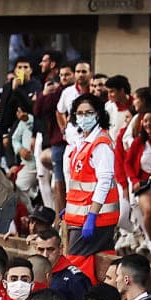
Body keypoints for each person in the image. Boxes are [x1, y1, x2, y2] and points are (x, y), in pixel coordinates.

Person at [62, 92, 119, 255]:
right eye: (79, 113)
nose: (83, 117)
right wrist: (69, 206)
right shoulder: (81, 142)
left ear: (98, 115)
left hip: (96, 219)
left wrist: (92, 215)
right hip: (80, 218)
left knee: (76, 267)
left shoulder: (100, 144)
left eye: (89, 113)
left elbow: (104, 182)